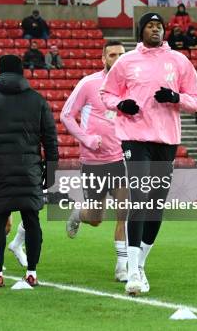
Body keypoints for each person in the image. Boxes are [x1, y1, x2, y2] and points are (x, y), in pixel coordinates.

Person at [100, 12, 197, 296]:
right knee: (140, 197)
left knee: (156, 204)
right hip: (135, 138)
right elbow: (106, 94)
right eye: (150, 26)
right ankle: (132, 272)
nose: (155, 30)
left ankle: (140, 264)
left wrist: (176, 98)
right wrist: (122, 104)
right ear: (141, 31)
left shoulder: (180, 61)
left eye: (159, 26)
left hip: (166, 140)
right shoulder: (126, 62)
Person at [0, 54, 58, 288]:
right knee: (32, 220)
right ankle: (31, 273)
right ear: (22, 72)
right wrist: (50, 171)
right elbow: (50, 139)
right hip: (29, 169)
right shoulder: (37, 100)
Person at [61, 40, 130, 283]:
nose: (118, 58)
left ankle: (123, 266)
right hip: (94, 161)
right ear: (103, 58)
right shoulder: (89, 84)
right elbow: (66, 115)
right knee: (96, 217)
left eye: (122, 54)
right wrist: (86, 139)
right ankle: (78, 214)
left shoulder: (132, 86)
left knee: (125, 211)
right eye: (113, 55)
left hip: (122, 158)